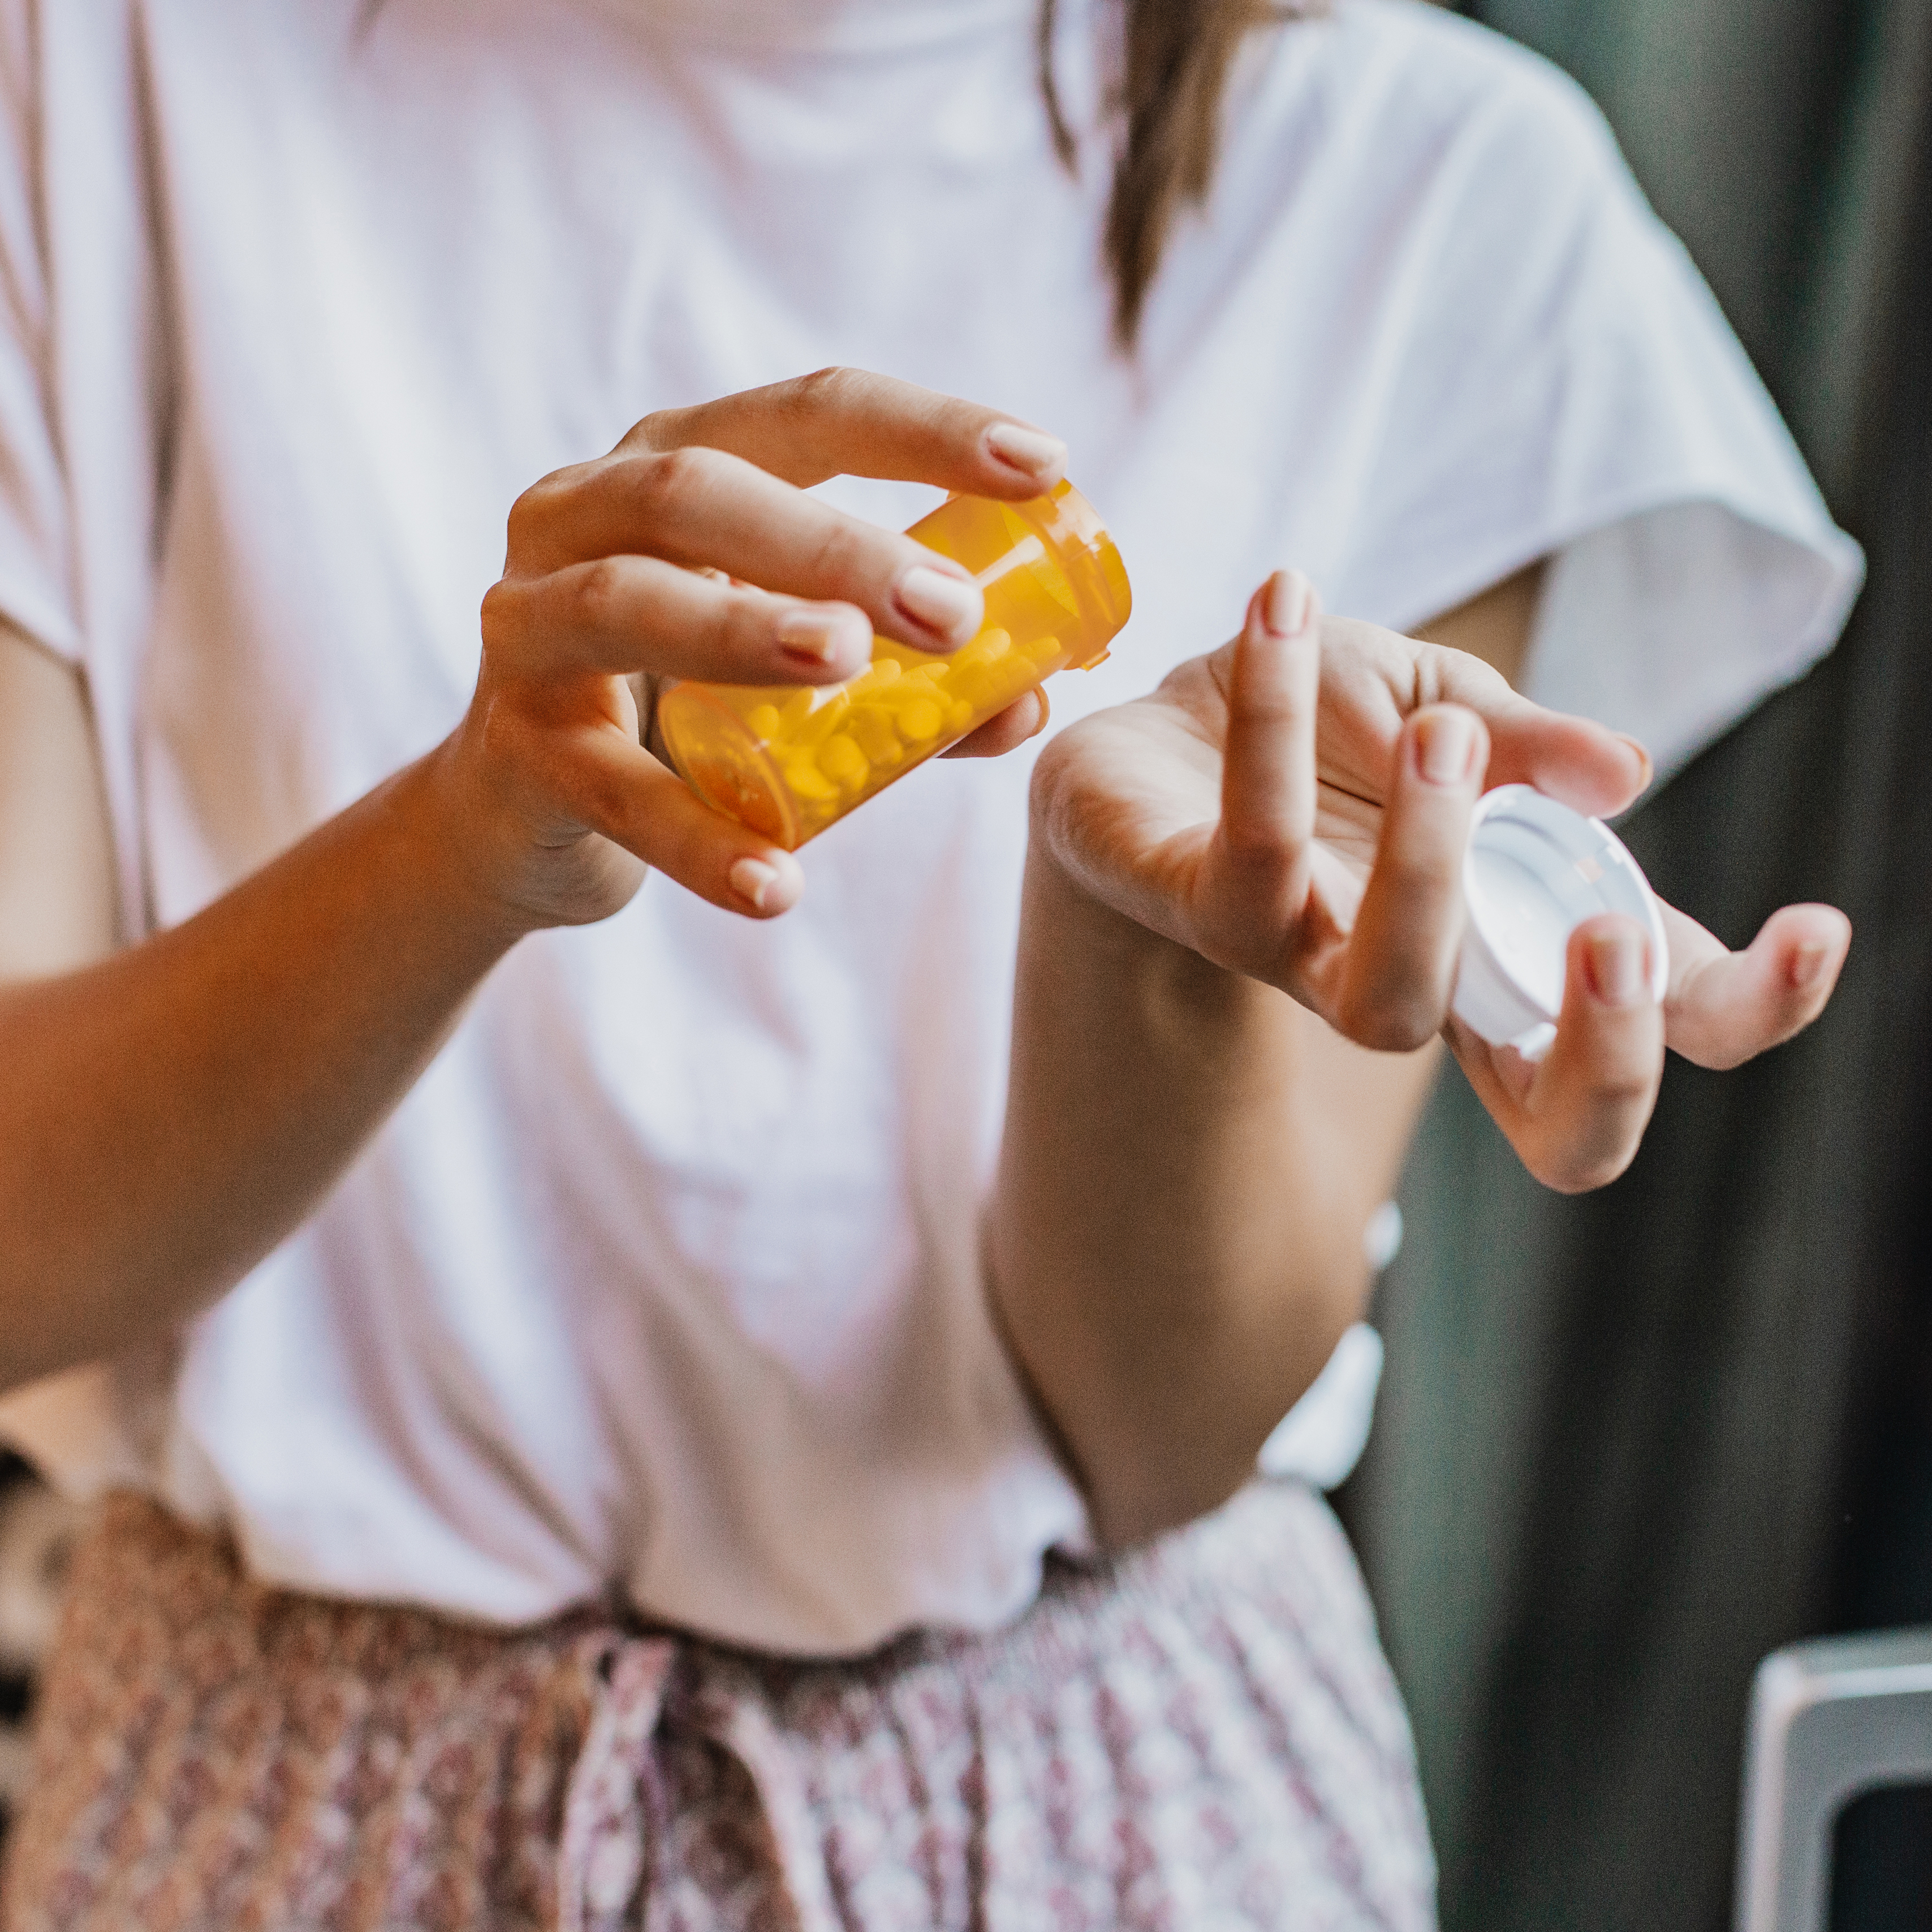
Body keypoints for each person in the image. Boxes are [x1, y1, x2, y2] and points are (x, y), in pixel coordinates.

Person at [0, 0, 1860, 1924]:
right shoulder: (97, 69)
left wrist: (1137, 938)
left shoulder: (1430, 183)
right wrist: (465, 838)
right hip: (278, 1826)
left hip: (1108, 1823)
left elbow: (1159, 1435)